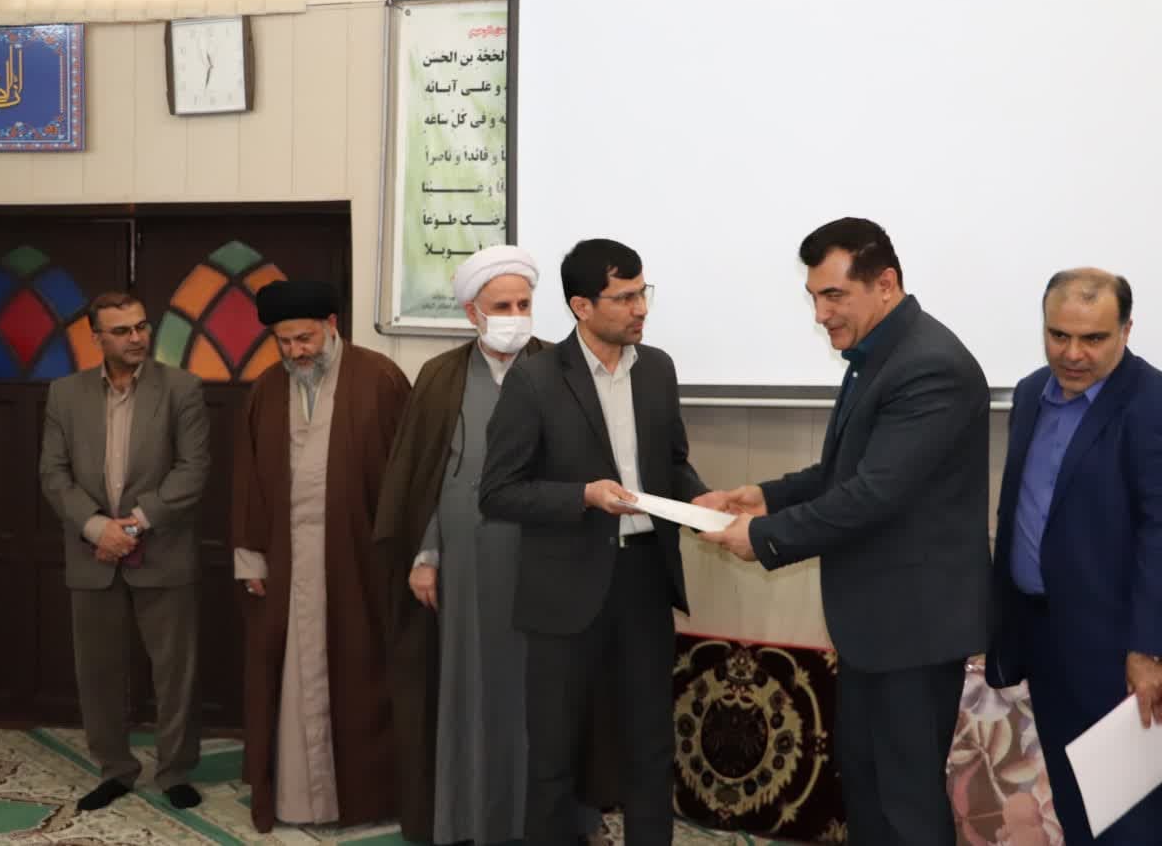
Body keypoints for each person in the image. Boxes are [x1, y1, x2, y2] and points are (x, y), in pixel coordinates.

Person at [696, 217, 991, 846]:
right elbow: (845, 471)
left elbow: (874, 494)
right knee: (868, 789)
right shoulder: (879, 354)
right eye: (813, 297)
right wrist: (766, 496)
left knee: (906, 805)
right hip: (876, 628)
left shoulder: (930, 365)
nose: (821, 315)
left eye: (834, 296)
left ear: (885, 284)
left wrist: (764, 536)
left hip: (913, 631)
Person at [479, 238, 708, 846]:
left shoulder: (657, 369)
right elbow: (497, 493)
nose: (641, 308)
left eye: (642, 293)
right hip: (564, 589)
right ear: (581, 306)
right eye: (624, 297)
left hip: (644, 581)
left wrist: (701, 502)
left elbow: (672, 463)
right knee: (553, 753)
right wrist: (582, 496)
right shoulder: (534, 380)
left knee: (650, 746)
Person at [377, 246, 608, 844]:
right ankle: (471, 817)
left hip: (543, 558)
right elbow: (425, 476)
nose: (515, 316)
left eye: (523, 304)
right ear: (472, 313)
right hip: (468, 562)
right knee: (473, 691)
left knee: (543, 694)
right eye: (501, 306)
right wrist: (427, 555)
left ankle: (549, 821)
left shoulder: (562, 368)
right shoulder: (441, 377)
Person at [985, 269, 1162, 845]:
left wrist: (1148, 649)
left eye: (1093, 338)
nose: (1073, 353)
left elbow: (1159, 531)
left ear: (1126, 331)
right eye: (1059, 335)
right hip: (1044, 638)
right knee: (1075, 806)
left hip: (1118, 653)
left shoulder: (1150, 402)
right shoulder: (1030, 392)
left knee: (1129, 821)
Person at [232, 279, 411, 833]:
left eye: (305, 338)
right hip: (286, 561)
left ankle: (366, 797)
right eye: (284, 342)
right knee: (285, 673)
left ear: (332, 325)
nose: (296, 351)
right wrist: (251, 557)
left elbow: (406, 476)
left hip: (358, 561)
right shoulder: (267, 388)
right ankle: (296, 798)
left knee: (360, 673)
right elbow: (248, 478)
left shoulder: (380, 379)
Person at [39, 291, 210, 812]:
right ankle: (115, 769)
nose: (136, 338)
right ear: (96, 338)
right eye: (122, 331)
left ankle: (175, 770)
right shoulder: (65, 394)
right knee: (98, 672)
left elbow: (193, 470)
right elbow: (53, 473)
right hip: (92, 555)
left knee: (175, 672)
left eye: (141, 327)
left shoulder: (182, 389)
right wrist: (97, 529)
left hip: (162, 550)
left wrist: (132, 526)